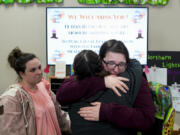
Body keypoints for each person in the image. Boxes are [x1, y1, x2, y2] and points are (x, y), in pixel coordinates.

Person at [56, 40, 155, 134]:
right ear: (101, 61)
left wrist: (109, 112)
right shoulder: (90, 72)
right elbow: (62, 95)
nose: (116, 69)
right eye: (111, 63)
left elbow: (147, 119)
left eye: (121, 64)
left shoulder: (135, 79)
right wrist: (101, 82)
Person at [0, 47, 71, 135]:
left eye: (39, 67)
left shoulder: (44, 87)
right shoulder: (12, 98)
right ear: (21, 74)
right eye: (33, 70)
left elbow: (60, 117)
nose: (39, 72)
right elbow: (9, 131)